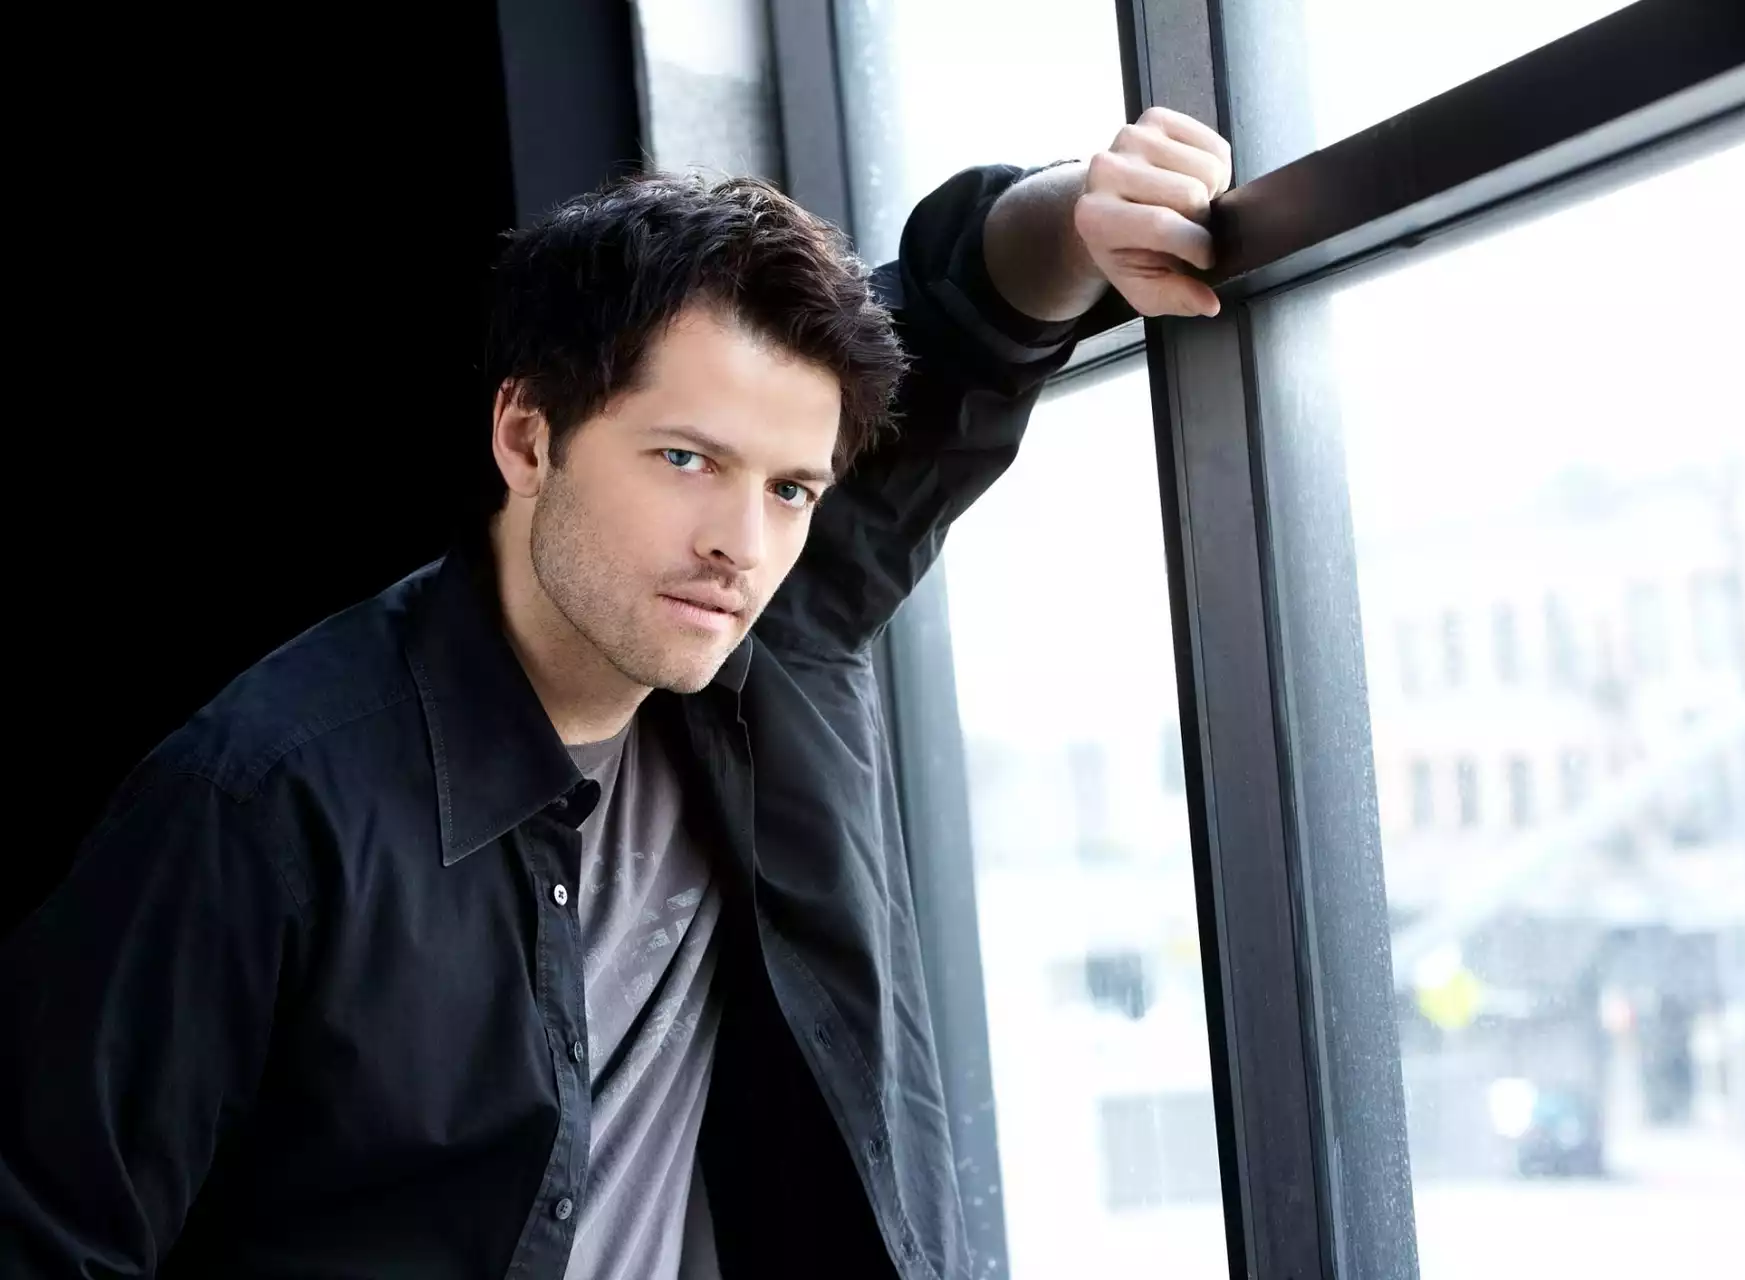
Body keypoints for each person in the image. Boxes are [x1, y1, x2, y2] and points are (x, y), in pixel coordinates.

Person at [0, 106, 1231, 1279]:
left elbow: (967, 319)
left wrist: (1088, 215)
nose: (740, 543)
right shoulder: (259, 806)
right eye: (685, 458)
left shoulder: (780, 631)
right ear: (527, 438)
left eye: (791, 488)